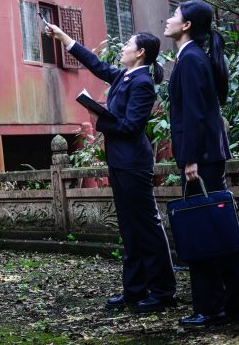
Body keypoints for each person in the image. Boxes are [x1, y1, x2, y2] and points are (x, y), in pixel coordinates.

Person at [45, 24, 176, 313]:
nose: (123, 47)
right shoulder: (124, 76)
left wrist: (100, 117)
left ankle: (163, 291)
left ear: (140, 53)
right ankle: (134, 289)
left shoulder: (142, 83)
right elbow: (96, 64)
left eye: (128, 43)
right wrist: (63, 38)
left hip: (133, 163)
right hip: (120, 160)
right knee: (129, 227)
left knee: (146, 226)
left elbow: (132, 126)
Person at [164, 0, 239, 326]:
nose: (168, 19)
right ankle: (234, 304)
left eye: (174, 15)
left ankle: (214, 306)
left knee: (206, 230)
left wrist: (189, 160)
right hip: (206, 156)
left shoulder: (190, 60)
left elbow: (195, 115)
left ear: (186, 25)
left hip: (200, 159)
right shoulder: (193, 57)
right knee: (216, 229)